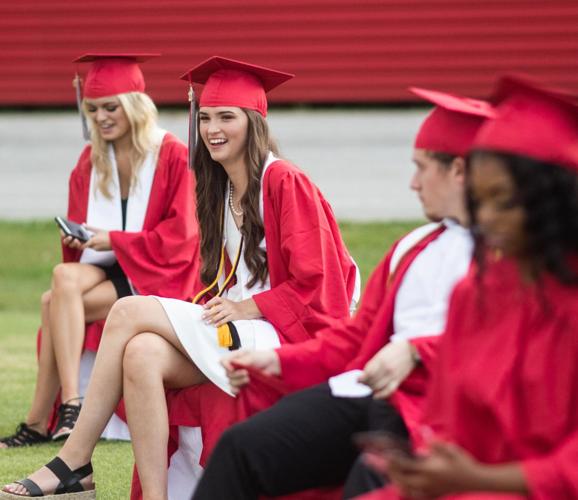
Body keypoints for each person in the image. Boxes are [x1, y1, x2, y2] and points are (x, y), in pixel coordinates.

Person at [0, 56, 358, 500]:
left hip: (286, 334)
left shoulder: (283, 181)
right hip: (241, 329)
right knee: (143, 353)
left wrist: (247, 306)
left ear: (254, 122)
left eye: (227, 117)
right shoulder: (220, 188)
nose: (212, 129)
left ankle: (74, 460)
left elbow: (319, 285)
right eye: (205, 117)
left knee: (129, 309)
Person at [191, 88, 494, 500]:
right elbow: (357, 335)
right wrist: (277, 360)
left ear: (459, 171)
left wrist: (418, 351)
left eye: (422, 169)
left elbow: (512, 351)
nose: (413, 183)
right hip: (371, 394)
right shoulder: (415, 247)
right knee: (242, 447)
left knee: (368, 480)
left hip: (443, 413)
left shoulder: (513, 259)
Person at [358, 76, 578, 500]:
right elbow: (446, 429)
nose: (489, 217)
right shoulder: (473, 297)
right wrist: (425, 472)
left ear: (554, 202)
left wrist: (478, 481)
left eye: (505, 201)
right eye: (480, 200)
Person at [0, 54, 200, 450]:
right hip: (109, 268)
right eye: (93, 110)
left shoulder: (172, 154)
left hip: (161, 272)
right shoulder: (92, 159)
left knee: (49, 301)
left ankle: (45, 418)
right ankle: (65, 407)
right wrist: (82, 239)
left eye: (111, 107)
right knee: (60, 282)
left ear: (134, 106)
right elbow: (82, 223)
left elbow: (182, 235)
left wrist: (115, 240)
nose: (102, 117)